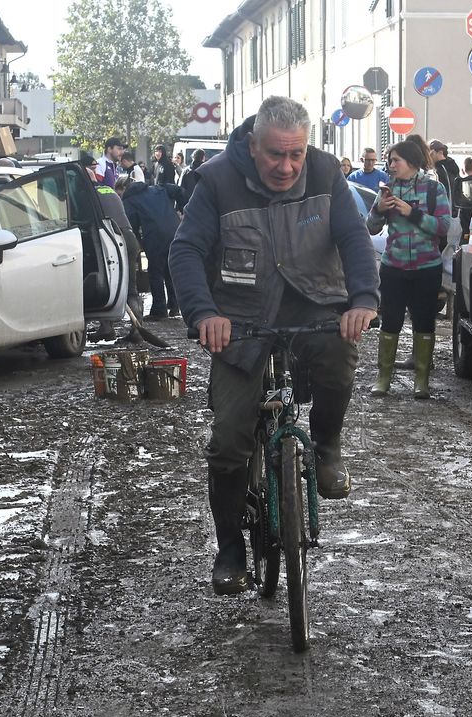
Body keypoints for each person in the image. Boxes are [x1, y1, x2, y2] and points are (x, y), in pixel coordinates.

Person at [170, 95, 379, 596]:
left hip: (313, 301)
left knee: (339, 359)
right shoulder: (216, 181)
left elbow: (354, 239)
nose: (286, 167)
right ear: (252, 144)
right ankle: (230, 549)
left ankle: (327, 447)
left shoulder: (328, 174)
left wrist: (362, 300)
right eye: (274, 155)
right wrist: (204, 314)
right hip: (239, 317)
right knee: (228, 440)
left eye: (296, 155)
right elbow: (186, 249)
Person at [367, 140, 451, 401]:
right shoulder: (388, 189)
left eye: (396, 161)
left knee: (424, 322)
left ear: (412, 162)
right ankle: (383, 378)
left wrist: (411, 212)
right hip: (394, 266)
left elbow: (443, 226)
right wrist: (379, 210)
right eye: (390, 161)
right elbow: (370, 226)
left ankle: (421, 381)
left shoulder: (433, 189)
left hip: (426, 268)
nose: (391, 166)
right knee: (390, 321)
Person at [80, 153, 167, 349]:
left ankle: (107, 326)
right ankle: (135, 331)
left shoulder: (87, 196)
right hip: (128, 238)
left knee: (105, 283)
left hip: (111, 239)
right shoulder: (109, 191)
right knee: (131, 288)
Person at [122, 176, 183, 319]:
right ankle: (175, 306)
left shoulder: (130, 200)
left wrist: (138, 242)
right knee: (170, 270)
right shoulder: (159, 189)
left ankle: (159, 309)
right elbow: (180, 191)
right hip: (176, 231)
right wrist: (182, 208)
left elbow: (131, 225)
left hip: (155, 236)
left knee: (155, 272)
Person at [428, 139, 461, 221]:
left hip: (443, 213)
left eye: (430, 153)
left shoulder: (440, 170)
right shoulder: (451, 166)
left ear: (438, 152)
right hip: (453, 212)